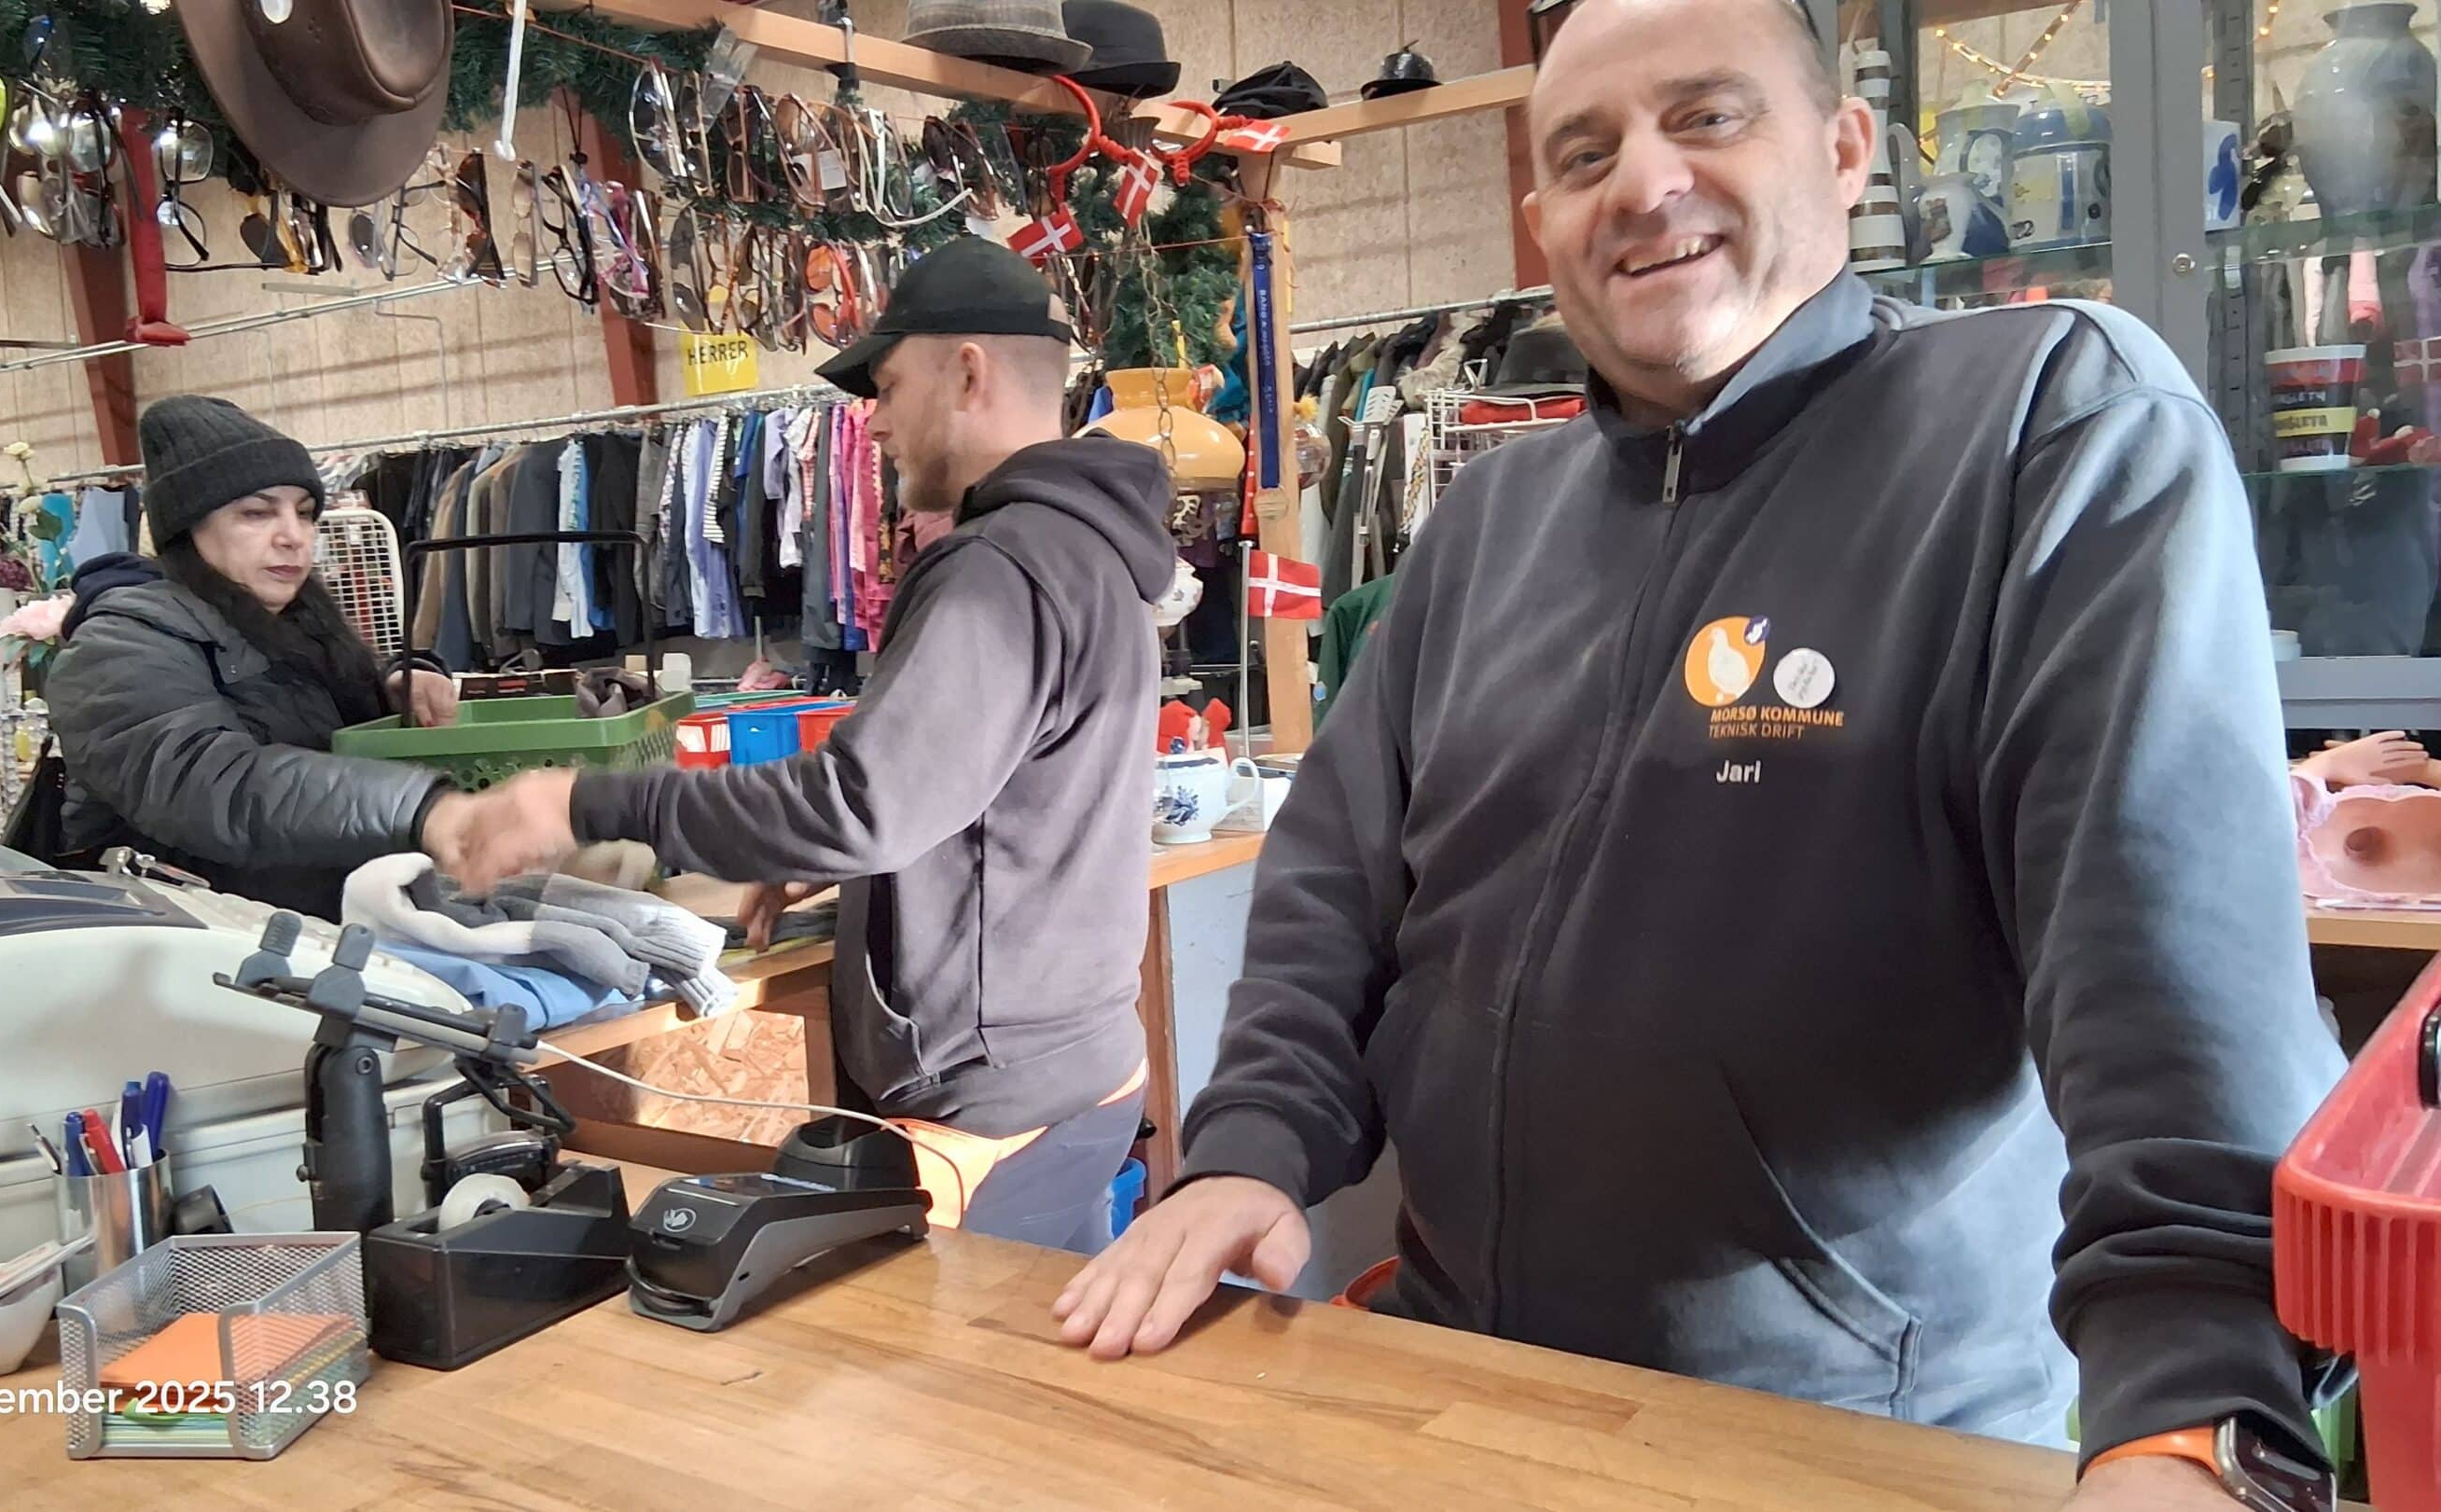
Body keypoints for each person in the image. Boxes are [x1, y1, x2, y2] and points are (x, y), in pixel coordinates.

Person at [1055, 2, 2350, 1508]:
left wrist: (2193, 1409)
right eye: (1583, 153)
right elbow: (1333, 889)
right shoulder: (1487, 521)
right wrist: (1248, 1149)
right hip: (1459, 1389)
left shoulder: (2043, 426)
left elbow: (2165, 952)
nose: (1644, 181)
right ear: (1541, 223)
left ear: (1847, 150)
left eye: (1708, 117)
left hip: (1846, 1432)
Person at [437, 238, 1178, 1252]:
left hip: (994, 1111)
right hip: (1069, 1069)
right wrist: (866, 870)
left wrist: (576, 801)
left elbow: (861, 803)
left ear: (968, 373)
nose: (876, 424)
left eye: (888, 386)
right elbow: (1005, 799)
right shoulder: (1089, 548)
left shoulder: (1000, 568)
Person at [48, 395, 466, 920]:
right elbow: (212, 783)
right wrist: (421, 808)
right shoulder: (117, 644)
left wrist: (396, 680)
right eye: (256, 513)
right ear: (190, 528)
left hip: (319, 926)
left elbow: (297, 713)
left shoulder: (296, 622)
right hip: (195, 939)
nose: (294, 536)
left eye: (305, 513)